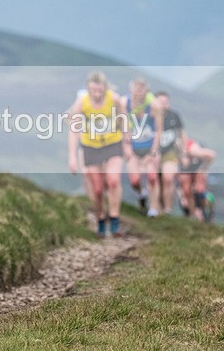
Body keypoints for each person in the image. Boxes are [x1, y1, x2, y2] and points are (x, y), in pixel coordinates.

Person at [67, 72, 132, 238]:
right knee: (97, 189)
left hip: (112, 143)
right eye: (93, 91)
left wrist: (127, 143)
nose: (96, 94)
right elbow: (73, 129)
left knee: (113, 180)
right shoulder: (82, 102)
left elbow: (124, 119)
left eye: (99, 91)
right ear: (88, 89)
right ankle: (101, 218)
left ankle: (115, 220)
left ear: (105, 88)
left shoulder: (114, 99)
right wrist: (73, 156)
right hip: (91, 146)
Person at [121, 79, 163, 217]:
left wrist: (154, 152)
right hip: (133, 147)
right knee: (134, 180)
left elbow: (158, 129)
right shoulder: (124, 103)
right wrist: (126, 147)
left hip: (149, 146)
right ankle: (141, 193)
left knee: (152, 177)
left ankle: (153, 209)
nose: (138, 94)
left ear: (146, 91)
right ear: (131, 90)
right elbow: (123, 126)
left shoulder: (154, 106)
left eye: (141, 91)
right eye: (136, 91)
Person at [153, 91, 187, 215]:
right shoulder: (149, 116)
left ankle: (167, 209)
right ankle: (156, 208)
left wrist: (183, 153)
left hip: (170, 151)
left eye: (166, 102)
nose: (164, 105)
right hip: (153, 152)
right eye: (161, 102)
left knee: (168, 178)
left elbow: (182, 133)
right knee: (155, 180)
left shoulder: (174, 116)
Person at [177, 138, 216, 221]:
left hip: (197, 167)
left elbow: (211, 155)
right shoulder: (175, 153)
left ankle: (203, 213)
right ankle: (193, 214)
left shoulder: (193, 151)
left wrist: (204, 168)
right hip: (187, 170)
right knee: (186, 192)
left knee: (199, 189)